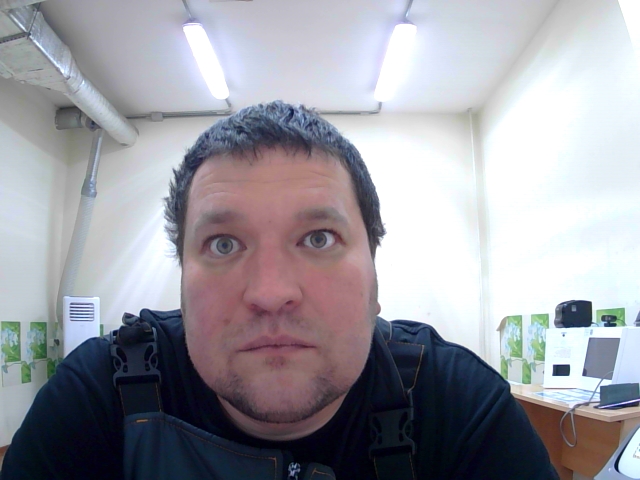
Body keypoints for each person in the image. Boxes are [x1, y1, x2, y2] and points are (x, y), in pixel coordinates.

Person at [1, 101, 559, 479]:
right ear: (183, 281)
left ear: (375, 277)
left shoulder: (460, 409)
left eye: (318, 238)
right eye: (224, 244)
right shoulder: (96, 397)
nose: (270, 293)